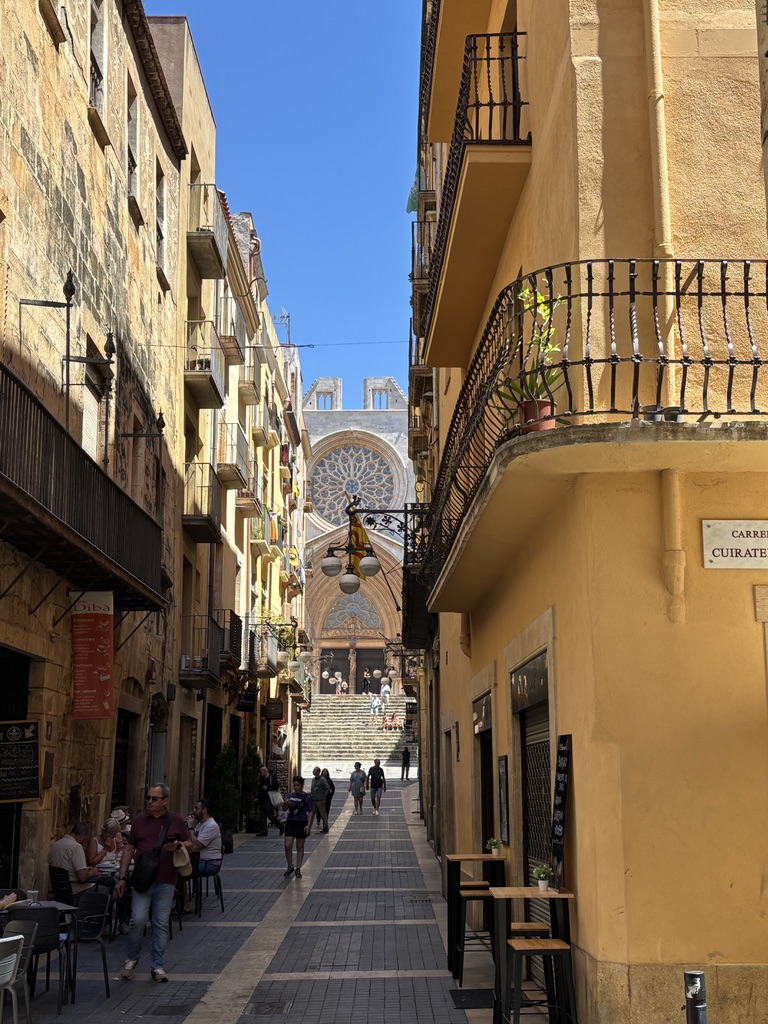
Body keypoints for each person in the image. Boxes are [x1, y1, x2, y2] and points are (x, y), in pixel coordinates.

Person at [115, 783, 190, 983]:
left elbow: (190, 843)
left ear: (165, 800)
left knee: (160, 923)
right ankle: (132, 959)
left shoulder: (175, 820)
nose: (149, 801)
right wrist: (122, 877)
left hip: (166, 879)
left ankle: (157, 965)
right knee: (137, 920)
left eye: (154, 798)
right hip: (142, 880)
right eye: (148, 798)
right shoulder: (139, 821)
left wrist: (178, 845)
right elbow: (129, 849)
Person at [183, 799, 222, 912]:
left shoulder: (211, 826)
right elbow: (190, 841)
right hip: (199, 860)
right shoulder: (200, 824)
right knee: (177, 869)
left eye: (196, 808)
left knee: (180, 871)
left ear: (204, 810)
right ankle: (182, 902)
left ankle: (184, 904)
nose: (193, 811)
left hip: (209, 863)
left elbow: (196, 846)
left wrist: (191, 828)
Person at [48, 823, 99, 894]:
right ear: (82, 835)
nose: (85, 843)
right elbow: (82, 878)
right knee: (107, 890)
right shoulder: (76, 847)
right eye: (86, 839)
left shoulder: (56, 844)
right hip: (75, 889)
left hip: (58, 888)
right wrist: (93, 873)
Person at [282, 776, 313, 878]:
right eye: (294, 785)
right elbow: (284, 809)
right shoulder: (290, 795)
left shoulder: (307, 797)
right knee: (288, 844)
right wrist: (285, 804)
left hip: (301, 822)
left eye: (297, 785)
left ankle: (298, 868)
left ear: (302, 785)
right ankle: (290, 865)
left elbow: (310, 812)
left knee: (300, 846)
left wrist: (308, 825)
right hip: (291, 822)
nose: (295, 787)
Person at [257, 766, 285, 835]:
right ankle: (263, 831)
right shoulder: (262, 779)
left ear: (265, 771)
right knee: (262, 816)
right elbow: (261, 789)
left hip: (269, 800)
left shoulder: (272, 778)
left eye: (261, 771)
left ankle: (281, 826)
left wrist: (268, 788)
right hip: (263, 800)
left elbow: (276, 786)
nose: (260, 773)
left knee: (270, 815)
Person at [310, 766, 330, 833]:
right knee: (311, 814)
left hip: (320, 800)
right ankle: (309, 826)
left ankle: (325, 827)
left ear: (318, 772)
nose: (313, 772)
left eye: (315, 770)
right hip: (314, 799)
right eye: (313, 770)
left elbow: (327, 788)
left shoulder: (322, 779)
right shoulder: (313, 779)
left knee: (323, 814)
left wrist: (324, 796)